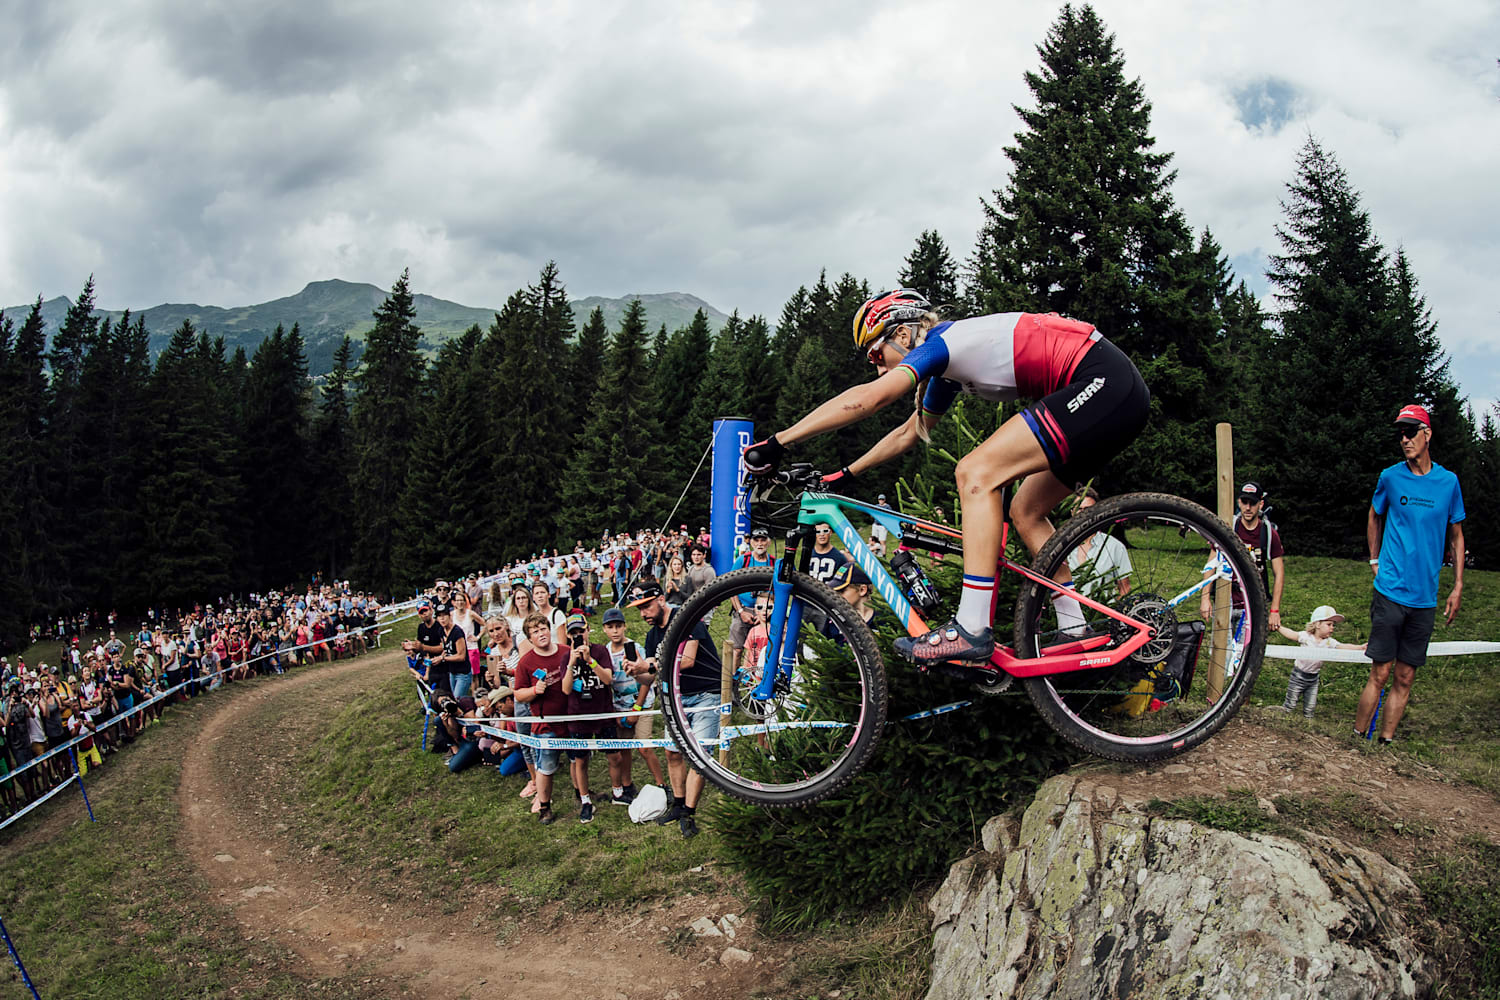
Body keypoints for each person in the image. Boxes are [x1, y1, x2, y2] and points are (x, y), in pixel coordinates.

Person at [744, 290, 1150, 664]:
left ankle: (971, 627)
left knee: (975, 472)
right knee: (1026, 511)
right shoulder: (946, 371)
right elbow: (908, 432)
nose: (878, 365)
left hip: (1102, 383)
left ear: (903, 332)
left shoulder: (941, 344)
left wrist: (779, 442)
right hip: (1112, 394)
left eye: (875, 353)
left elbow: (872, 398)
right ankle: (1074, 626)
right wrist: (846, 473)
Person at [1356, 404, 1465, 745]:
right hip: (1390, 589)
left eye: (1410, 431)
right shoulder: (1390, 477)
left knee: (1405, 676)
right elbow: (1374, 516)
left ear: (1427, 434)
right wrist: (1374, 559)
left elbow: (1457, 534)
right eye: (1400, 433)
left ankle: (1385, 743)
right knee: (1381, 671)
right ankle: (1357, 740)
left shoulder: (1449, 483)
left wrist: (1458, 584)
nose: (1404, 439)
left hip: (1425, 597)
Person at [630, 581, 721, 838]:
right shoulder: (651, 636)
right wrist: (637, 673)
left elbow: (688, 660)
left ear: (660, 599)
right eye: (638, 609)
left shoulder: (687, 617)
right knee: (673, 754)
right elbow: (651, 678)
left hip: (705, 695)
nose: (643, 614)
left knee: (700, 756)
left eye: (646, 606)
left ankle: (689, 813)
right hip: (675, 699)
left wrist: (650, 667)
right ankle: (679, 804)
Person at [600, 606, 664, 802]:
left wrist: (637, 707)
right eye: (611, 627)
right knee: (624, 747)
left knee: (644, 746)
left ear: (625, 627)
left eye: (619, 626)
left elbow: (647, 679)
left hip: (641, 703)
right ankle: (627, 784)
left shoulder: (636, 648)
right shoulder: (604, 652)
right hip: (620, 707)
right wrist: (615, 712)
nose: (615, 631)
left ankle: (662, 784)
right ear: (604, 629)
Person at [514, 612, 571, 825]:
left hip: (572, 717)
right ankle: (545, 807)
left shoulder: (566, 651)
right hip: (545, 722)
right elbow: (518, 694)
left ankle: (582, 795)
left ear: (550, 629)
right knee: (546, 766)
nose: (541, 634)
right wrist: (534, 691)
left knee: (578, 760)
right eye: (535, 632)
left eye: (543, 628)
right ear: (530, 639)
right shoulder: (526, 663)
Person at [560, 613, 615, 824]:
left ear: (588, 630)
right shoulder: (567, 657)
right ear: (568, 636)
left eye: (580, 632)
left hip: (603, 710)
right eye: (573, 633)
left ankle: (617, 791)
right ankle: (585, 801)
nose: (578, 636)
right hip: (578, 714)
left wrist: (590, 661)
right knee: (580, 759)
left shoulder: (600, 651)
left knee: (613, 755)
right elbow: (565, 690)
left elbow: (608, 679)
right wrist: (572, 664)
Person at [1276, 606, 1365, 719]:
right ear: (1317, 624)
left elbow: (1343, 646)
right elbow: (1291, 634)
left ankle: (1308, 723)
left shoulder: (1329, 642)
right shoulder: (1306, 637)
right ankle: (1282, 718)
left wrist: (1360, 647)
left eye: (1333, 625)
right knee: (1290, 705)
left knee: (1310, 708)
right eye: (1329, 624)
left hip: (1313, 679)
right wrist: (1278, 627)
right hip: (1298, 676)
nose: (1332, 628)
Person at [1066, 487, 1132, 599]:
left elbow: (1124, 588)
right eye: (1078, 509)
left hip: (1102, 614)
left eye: (1088, 509)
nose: (1082, 514)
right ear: (1072, 512)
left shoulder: (1114, 546)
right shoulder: (1061, 548)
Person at [727, 528, 775, 674]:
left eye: (763, 540)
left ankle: (763, 679)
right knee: (736, 649)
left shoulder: (774, 562)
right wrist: (741, 611)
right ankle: (732, 685)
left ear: (769, 542)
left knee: (766, 647)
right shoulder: (744, 560)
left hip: (767, 611)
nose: (760, 544)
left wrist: (765, 613)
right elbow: (730, 586)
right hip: (744, 609)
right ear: (751, 542)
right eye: (756, 540)